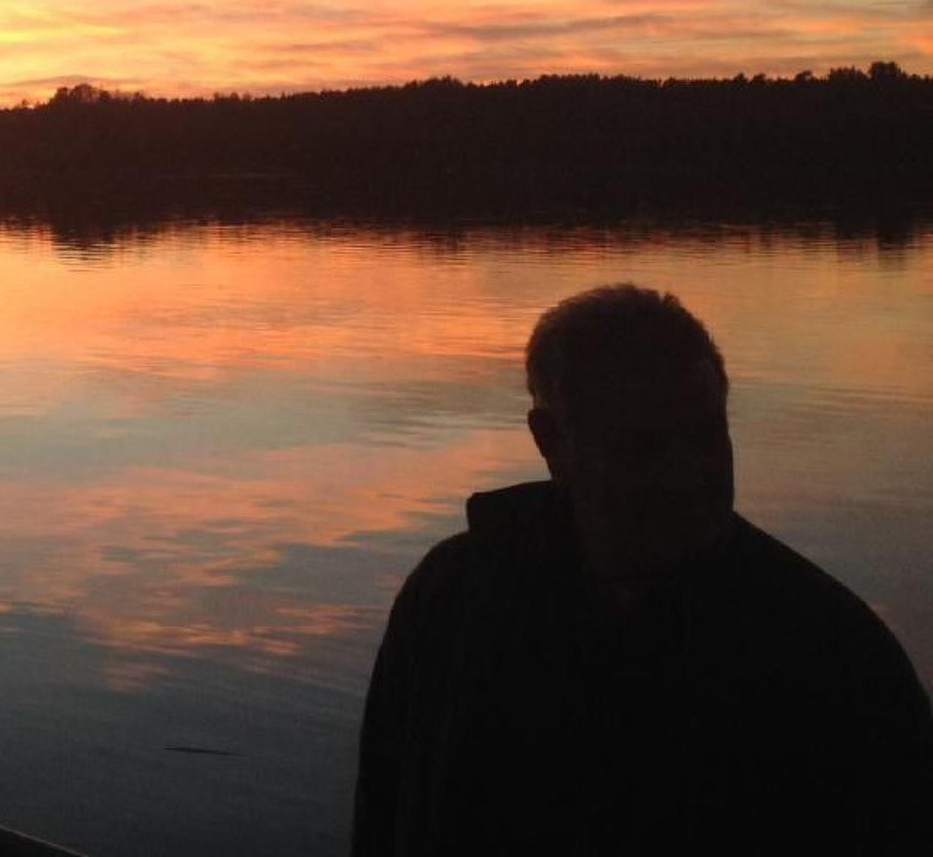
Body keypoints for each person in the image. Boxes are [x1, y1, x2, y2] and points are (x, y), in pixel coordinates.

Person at [351, 284, 932, 856]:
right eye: (642, 446)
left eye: (706, 436)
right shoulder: (449, 597)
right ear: (551, 443)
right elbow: (382, 809)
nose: (685, 475)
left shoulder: (830, 651)